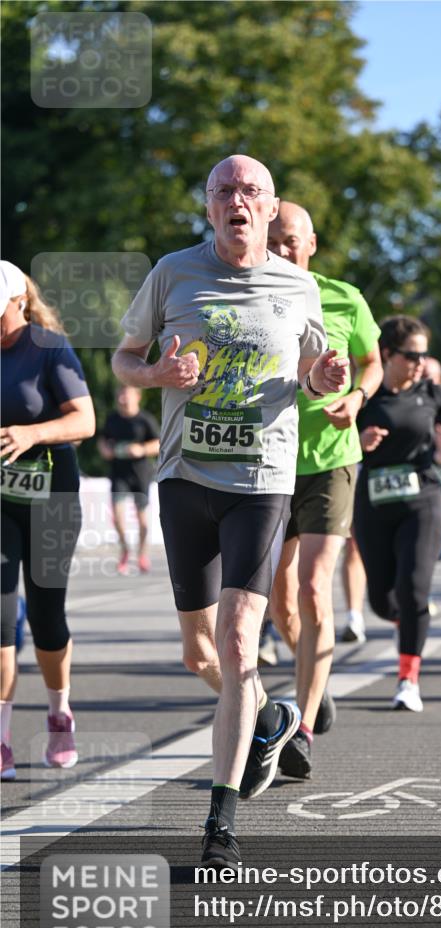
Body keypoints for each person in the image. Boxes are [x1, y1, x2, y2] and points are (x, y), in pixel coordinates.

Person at [111, 156, 347, 868]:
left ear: (271, 210)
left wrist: (324, 379)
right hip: (186, 477)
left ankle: (220, 823)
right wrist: (154, 374)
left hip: (260, 480)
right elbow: (124, 357)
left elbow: (311, 376)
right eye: (223, 192)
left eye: (250, 192)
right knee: (199, 653)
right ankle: (269, 715)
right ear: (209, 208)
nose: (236, 202)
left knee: (241, 640)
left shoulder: (297, 285)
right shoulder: (172, 272)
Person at [266, 201, 382, 777]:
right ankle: (316, 675)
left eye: (291, 241)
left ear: (311, 243)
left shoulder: (345, 297)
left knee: (314, 588)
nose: (283, 250)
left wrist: (357, 399)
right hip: (269, 459)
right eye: (274, 241)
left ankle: (304, 727)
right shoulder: (253, 296)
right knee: (278, 599)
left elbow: (373, 363)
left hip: (332, 459)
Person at [354, 316, 441, 710]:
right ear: (386, 354)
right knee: (382, 602)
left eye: (424, 355)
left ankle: (408, 680)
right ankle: (411, 621)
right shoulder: (364, 395)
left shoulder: (432, 393)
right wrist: (357, 440)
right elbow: (329, 437)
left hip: (423, 502)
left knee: (413, 588)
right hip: (373, 504)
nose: (419, 362)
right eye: (411, 355)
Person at [1, 261, 95, 780]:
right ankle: (2, 737)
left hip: (53, 496)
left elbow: (85, 419)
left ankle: (60, 713)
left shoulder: (48, 347)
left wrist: (31, 434)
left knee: (45, 614)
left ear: (19, 301)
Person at [98, 386, 160, 574]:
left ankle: (142, 554)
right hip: (118, 473)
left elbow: (159, 443)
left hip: (140, 474)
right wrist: (105, 450)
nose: (122, 398)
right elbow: (102, 439)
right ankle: (125, 549)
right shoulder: (112, 419)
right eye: (120, 394)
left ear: (137, 397)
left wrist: (141, 449)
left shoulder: (145, 419)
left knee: (142, 521)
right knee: (117, 517)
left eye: (126, 394)